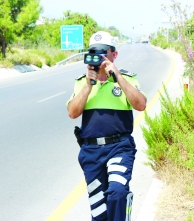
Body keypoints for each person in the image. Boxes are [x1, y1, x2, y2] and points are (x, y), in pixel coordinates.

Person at [66, 31, 147, 221]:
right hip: (91, 152)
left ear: (114, 55)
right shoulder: (81, 82)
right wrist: (88, 85)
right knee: (99, 211)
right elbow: (72, 113)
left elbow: (140, 104)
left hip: (119, 147)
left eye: (103, 52)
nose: (99, 57)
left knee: (117, 193)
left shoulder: (127, 79)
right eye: (94, 52)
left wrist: (117, 75)